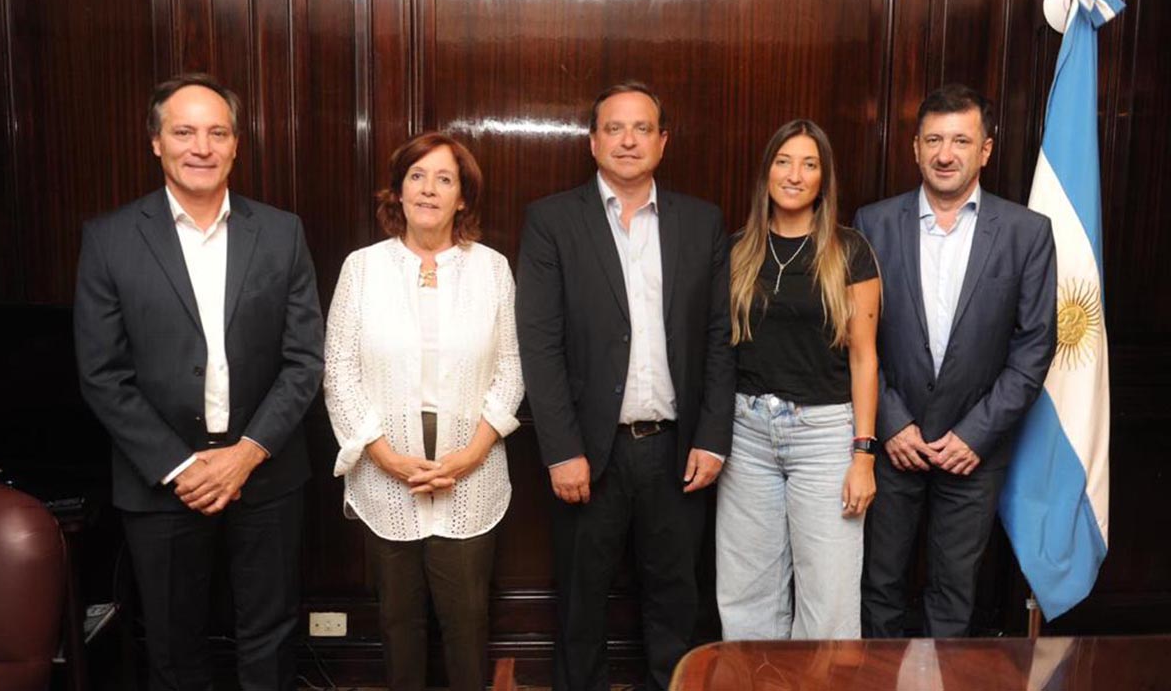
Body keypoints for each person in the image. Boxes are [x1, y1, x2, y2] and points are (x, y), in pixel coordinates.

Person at [74, 73, 324, 690]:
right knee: (172, 650)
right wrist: (183, 468)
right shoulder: (109, 241)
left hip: (266, 472)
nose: (201, 147)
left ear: (237, 144)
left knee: (270, 639)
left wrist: (245, 455)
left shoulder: (282, 232)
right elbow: (102, 373)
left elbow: (304, 360)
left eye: (217, 132)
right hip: (159, 484)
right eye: (183, 132)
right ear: (156, 142)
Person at [516, 81, 734, 691]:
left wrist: (713, 438)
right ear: (593, 142)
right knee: (581, 607)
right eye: (614, 128)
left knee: (676, 603)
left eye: (642, 128)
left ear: (663, 142)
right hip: (588, 451)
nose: (628, 140)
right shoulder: (552, 221)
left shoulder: (702, 221)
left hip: (677, 449)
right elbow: (540, 344)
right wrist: (562, 449)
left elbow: (719, 339)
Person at [854, 84, 1057, 637]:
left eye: (961, 140)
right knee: (880, 588)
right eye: (935, 140)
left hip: (975, 452)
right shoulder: (873, 224)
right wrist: (891, 425)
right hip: (894, 447)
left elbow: (1035, 345)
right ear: (915, 148)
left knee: (953, 595)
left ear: (985, 150)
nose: (946, 154)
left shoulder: (1026, 233)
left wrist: (976, 434)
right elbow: (856, 338)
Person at [323, 132, 523, 691]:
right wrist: (382, 455)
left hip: (472, 468)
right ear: (399, 190)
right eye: (417, 176)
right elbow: (338, 370)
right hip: (386, 469)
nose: (428, 189)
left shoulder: (492, 270)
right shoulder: (361, 269)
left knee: (466, 622)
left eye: (444, 179)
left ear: (462, 197)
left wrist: (470, 455)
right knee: (397, 621)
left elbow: (512, 368)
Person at [716, 119, 881, 639]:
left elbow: (865, 359)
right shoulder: (737, 250)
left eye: (809, 164)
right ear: (766, 172)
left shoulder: (850, 251)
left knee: (828, 595)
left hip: (825, 436)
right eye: (784, 161)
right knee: (746, 592)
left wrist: (863, 456)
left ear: (823, 179)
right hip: (746, 434)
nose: (795, 175)